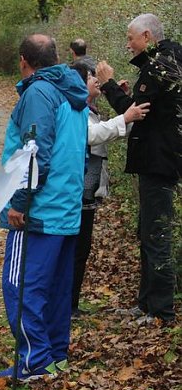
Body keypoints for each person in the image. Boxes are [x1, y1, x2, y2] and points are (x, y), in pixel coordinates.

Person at [0, 34, 88, 380]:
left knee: (21, 286)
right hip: (65, 207)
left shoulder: (39, 92)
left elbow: (36, 152)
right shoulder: (73, 90)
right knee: (55, 288)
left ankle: (34, 361)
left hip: (39, 210)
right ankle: (53, 356)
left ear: (24, 60)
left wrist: (20, 201)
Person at [96, 14, 182, 323]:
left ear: (146, 36)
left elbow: (135, 114)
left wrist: (107, 85)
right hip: (162, 158)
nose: (128, 44)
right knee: (148, 233)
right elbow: (148, 107)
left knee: (156, 235)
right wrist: (127, 94)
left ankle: (161, 312)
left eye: (131, 38)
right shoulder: (169, 58)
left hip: (159, 162)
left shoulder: (159, 66)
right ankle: (146, 304)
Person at [69, 61, 150, 316]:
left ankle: (70, 304)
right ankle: (67, 305)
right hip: (78, 190)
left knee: (82, 248)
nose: (95, 79)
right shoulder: (74, 109)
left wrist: (119, 98)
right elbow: (91, 135)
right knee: (77, 248)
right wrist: (124, 116)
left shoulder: (88, 108)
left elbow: (113, 131)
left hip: (87, 190)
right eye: (91, 76)